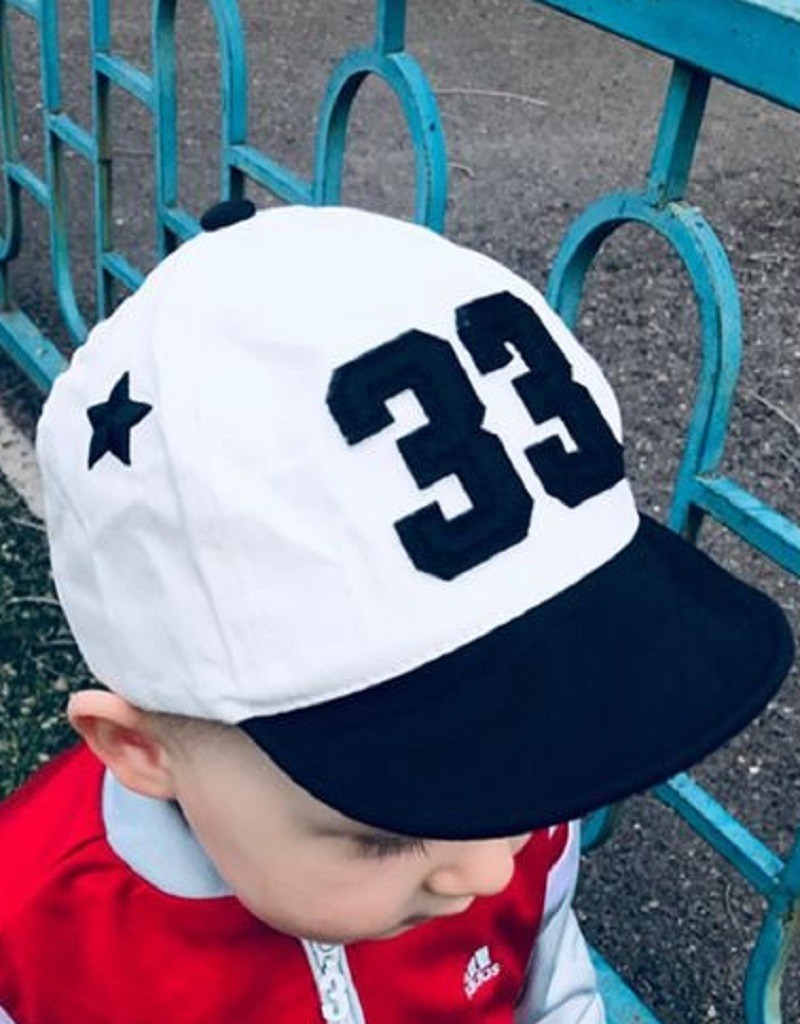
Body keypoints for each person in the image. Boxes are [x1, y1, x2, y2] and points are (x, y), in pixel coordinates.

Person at [0, 203, 792, 1024]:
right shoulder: (30, 946)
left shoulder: (515, 825)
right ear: (138, 747)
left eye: (527, 751)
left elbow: (554, 991)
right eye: (389, 828)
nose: (490, 871)